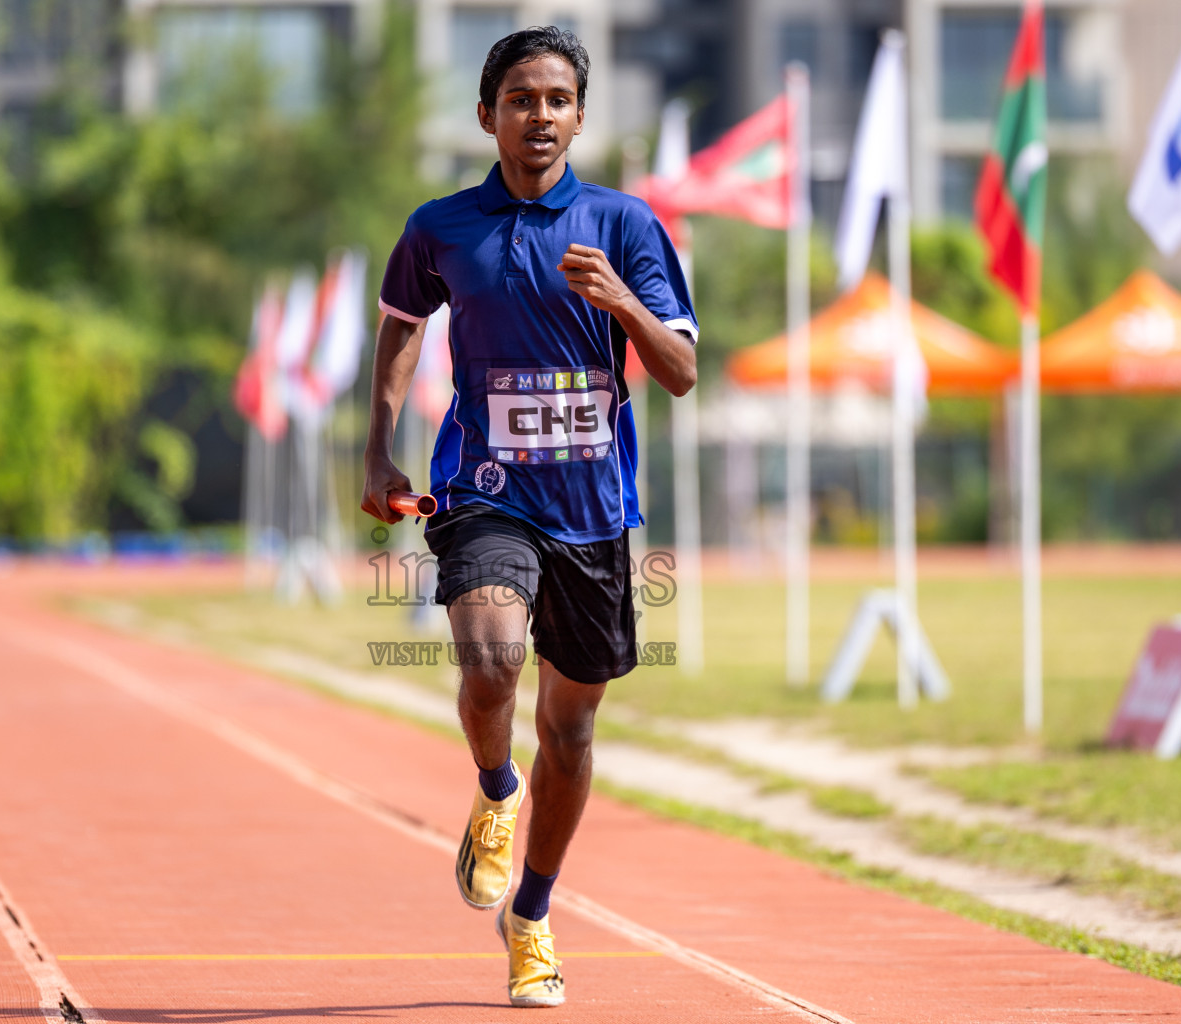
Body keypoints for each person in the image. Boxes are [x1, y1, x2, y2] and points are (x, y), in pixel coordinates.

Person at [361, 26, 697, 1008]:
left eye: (556, 99)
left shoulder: (626, 225)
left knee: (577, 728)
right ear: (487, 116)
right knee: (494, 658)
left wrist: (623, 305)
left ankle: (534, 913)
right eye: (519, 99)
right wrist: (377, 450)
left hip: (593, 511)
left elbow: (679, 373)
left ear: (580, 117)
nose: (538, 115)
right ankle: (496, 789)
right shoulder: (442, 227)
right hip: (485, 490)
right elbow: (399, 329)